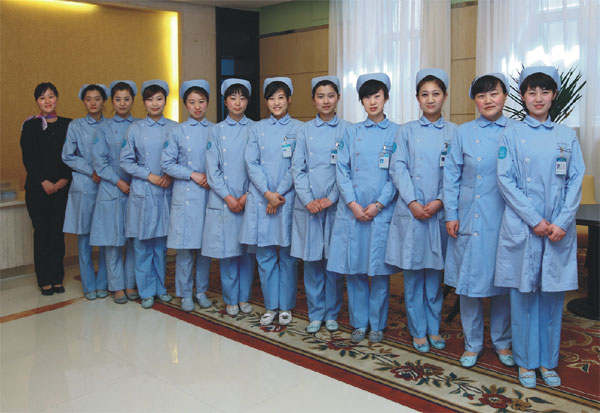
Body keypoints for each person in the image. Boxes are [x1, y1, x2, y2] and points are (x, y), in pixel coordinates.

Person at [496, 66, 584, 388]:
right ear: (522, 96)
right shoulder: (511, 134)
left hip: (557, 228)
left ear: (554, 95)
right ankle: (525, 361)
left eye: (544, 92)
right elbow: (505, 180)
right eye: (531, 92)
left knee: (551, 297)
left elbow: (575, 181)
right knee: (523, 297)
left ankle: (548, 361)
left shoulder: (566, 136)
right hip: (524, 225)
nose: (538, 98)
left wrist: (561, 222)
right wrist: (534, 219)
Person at [443, 73, 515, 367]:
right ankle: (472, 343)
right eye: (481, 95)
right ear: (475, 100)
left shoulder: (516, 130)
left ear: (505, 97)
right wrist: (450, 214)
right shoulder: (463, 132)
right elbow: (451, 176)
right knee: (469, 282)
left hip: (505, 216)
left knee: (502, 282)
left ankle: (502, 342)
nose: (488, 100)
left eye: (493, 94)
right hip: (469, 215)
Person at [385, 69, 457, 352]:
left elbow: (456, 173)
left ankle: (434, 328)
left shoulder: (455, 133)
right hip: (412, 212)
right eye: (424, 94)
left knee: (435, 275)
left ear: (445, 97)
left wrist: (440, 200)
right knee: (413, 274)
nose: (430, 99)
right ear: (417, 98)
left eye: (436, 94)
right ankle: (417, 330)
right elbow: (398, 168)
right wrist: (413, 201)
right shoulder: (406, 132)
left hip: (439, 212)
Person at [327, 73, 399, 343]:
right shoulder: (351, 132)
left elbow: (397, 174)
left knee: (379, 271)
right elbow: (341, 170)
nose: (372, 102)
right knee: (355, 268)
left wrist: (378, 204)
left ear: (386, 98)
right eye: (367, 97)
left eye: (377, 96)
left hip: (381, 211)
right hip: (353, 211)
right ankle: (359, 323)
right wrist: (353, 204)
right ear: (361, 101)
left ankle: (377, 324)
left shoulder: (397, 132)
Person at [239, 77, 302, 326]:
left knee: (287, 256)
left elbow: (297, 165)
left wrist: (278, 194)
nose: (276, 103)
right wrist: (267, 194)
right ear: (266, 102)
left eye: (281, 97)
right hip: (261, 198)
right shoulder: (257, 129)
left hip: (287, 198)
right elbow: (251, 163)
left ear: (289, 99)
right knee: (265, 256)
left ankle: (285, 306)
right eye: (272, 98)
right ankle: (270, 305)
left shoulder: (299, 129)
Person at [291, 76, 347, 333]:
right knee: (312, 260)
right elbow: (298, 168)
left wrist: (331, 198)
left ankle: (332, 312)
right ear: (313, 100)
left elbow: (346, 170)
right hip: (310, 205)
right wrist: (307, 199)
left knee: (334, 261)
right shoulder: (304, 131)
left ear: (338, 98)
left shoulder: (347, 130)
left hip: (335, 205)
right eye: (320, 96)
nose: (326, 101)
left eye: (330, 96)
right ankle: (315, 312)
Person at [120, 79, 177, 309]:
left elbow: (182, 158)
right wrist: (149, 176)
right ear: (143, 103)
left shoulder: (174, 128)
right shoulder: (135, 129)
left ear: (165, 101)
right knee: (142, 245)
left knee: (160, 246)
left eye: (159, 99)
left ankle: (160, 289)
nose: (155, 103)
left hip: (165, 191)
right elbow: (125, 161)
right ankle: (145, 291)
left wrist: (170, 174)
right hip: (143, 191)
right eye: (150, 99)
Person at [203, 78, 256, 316]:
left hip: (249, 199)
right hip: (224, 201)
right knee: (227, 253)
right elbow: (212, 170)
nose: (237, 103)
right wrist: (228, 197)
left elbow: (259, 166)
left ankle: (244, 297)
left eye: (242, 98)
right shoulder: (216, 131)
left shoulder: (255, 128)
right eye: (233, 98)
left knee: (247, 253)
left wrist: (246, 196)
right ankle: (231, 298)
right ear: (225, 101)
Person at [161, 80, 213, 312]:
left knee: (205, 248)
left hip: (210, 195)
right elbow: (166, 163)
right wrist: (192, 174)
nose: (197, 107)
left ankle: (201, 290)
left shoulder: (215, 130)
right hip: (186, 195)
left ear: (208, 103)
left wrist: (212, 178)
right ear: (185, 105)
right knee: (185, 248)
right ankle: (184, 293)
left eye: (201, 101)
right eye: (192, 102)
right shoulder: (177, 131)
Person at [21, 82, 72, 295]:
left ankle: (57, 277)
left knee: (57, 234)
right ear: (37, 101)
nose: (47, 101)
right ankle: (44, 280)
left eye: (51, 96)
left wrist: (63, 180)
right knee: (42, 234)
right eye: (42, 98)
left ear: (57, 98)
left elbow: (73, 155)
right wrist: (44, 182)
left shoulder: (69, 124)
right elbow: (28, 158)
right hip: (37, 190)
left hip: (62, 188)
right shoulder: (30, 125)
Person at [90, 80, 139, 304]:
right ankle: (117, 286)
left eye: (126, 99)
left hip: (135, 189)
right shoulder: (103, 128)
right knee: (112, 242)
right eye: (118, 99)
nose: (122, 103)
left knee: (133, 240)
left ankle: (130, 284)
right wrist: (119, 182)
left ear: (132, 100)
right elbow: (99, 162)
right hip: (110, 189)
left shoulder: (139, 126)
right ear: (112, 101)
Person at [62, 84, 109, 300]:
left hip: (107, 185)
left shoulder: (110, 125)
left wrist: (105, 173)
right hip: (85, 186)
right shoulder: (76, 126)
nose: (93, 103)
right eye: (89, 99)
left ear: (103, 101)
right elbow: (68, 155)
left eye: (97, 99)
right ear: (84, 101)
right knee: (85, 238)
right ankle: (89, 285)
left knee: (107, 237)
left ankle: (103, 283)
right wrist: (91, 171)